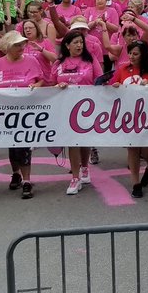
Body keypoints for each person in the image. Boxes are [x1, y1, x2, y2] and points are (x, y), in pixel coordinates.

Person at [0, 31, 46, 199]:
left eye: (22, 44)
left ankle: (27, 180)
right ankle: (16, 174)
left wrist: (36, 86)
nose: (21, 47)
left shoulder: (31, 61)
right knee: (12, 145)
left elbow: (41, 80)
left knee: (24, 145)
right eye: (17, 45)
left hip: (26, 111)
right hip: (5, 111)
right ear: (8, 47)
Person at [112, 39, 148, 198]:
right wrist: (115, 86)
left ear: (143, 55)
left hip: (147, 115)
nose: (131, 56)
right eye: (130, 53)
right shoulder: (123, 69)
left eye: (135, 54)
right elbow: (113, 85)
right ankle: (135, 183)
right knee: (132, 148)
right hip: (128, 115)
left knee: (146, 150)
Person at [57, 30, 103, 195]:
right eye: (75, 42)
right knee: (72, 141)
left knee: (84, 140)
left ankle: (85, 167)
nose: (79, 45)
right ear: (67, 45)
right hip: (66, 107)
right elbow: (50, 82)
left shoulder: (90, 60)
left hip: (87, 107)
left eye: (81, 42)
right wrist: (58, 86)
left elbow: (100, 79)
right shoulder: (59, 63)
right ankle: (75, 177)